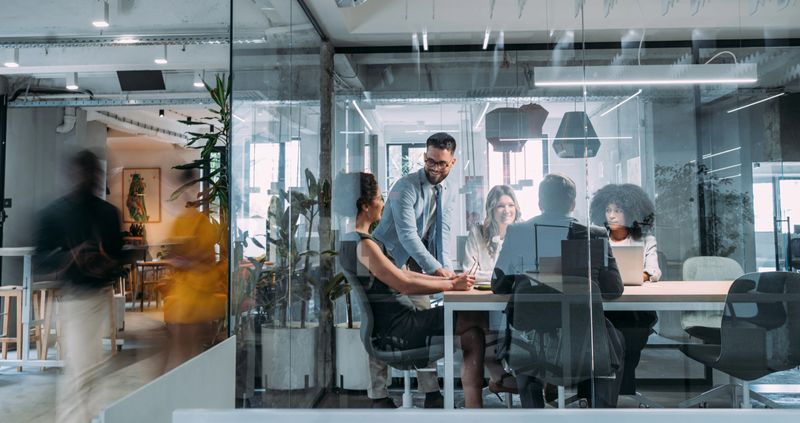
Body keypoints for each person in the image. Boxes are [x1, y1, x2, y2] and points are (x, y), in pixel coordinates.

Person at [336, 172, 488, 408]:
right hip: (399, 328)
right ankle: (486, 393)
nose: (383, 204)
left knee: (473, 335)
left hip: (396, 323)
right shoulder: (364, 245)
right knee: (473, 316)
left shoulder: (353, 241)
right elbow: (402, 284)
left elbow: (403, 274)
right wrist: (450, 284)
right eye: (378, 198)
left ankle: (473, 408)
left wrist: (447, 279)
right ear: (365, 206)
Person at [492, 174, 625, 408]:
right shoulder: (593, 234)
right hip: (583, 337)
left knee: (525, 342)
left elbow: (499, 285)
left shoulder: (519, 232)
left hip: (530, 337)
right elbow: (614, 288)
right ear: (572, 204)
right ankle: (602, 414)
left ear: (540, 202)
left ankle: (533, 414)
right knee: (614, 339)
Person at [369, 132, 458, 407]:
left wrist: (447, 270)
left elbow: (441, 232)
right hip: (382, 262)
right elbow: (408, 235)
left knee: (423, 323)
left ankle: (430, 392)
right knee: (378, 328)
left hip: (409, 266)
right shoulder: (404, 187)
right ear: (424, 157)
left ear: (452, 162)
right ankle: (378, 396)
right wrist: (438, 272)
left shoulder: (445, 191)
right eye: (430, 161)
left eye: (441, 163)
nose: (434, 168)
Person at [34, 150, 123, 423]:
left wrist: (105, 263)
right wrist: (71, 257)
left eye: (95, 172)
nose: (92, 177)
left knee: (90, 369)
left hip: (98, 296)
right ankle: (75, 419)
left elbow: (117, 260)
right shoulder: (54, 214)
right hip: (75, 299)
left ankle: (84, 416)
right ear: (74, 174)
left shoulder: (108, 214)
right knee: (82, 370)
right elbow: (40, 260)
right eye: (87, 171)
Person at [590, 183, 660, 397]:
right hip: (603, 307)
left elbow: (654, 271)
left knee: (629, 335)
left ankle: (620, 392)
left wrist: (641, 275)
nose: (611, 215)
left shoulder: (645, 239)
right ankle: (605, 394)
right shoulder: (595, 239)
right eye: (608, 210)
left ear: (631, 212)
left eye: (617, 210)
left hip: (633, 310)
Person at [162, 170, 228, 370]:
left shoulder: (202, 223)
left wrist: (187, 260)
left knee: (190, 347)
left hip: (199, 292)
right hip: (184, 292)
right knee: (184, 347)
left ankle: (189, 379)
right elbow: (174, 254)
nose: (189, 194)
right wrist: (182, 260)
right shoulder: (182, 222)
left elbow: (206, 258)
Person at [460, 185, 521, 395]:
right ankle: (500, 376)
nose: (506, 210)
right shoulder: (478, 233)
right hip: (485, 297)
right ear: (491, 209)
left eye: (510, 205)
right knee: (480, 321)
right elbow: (470, 270)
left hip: (514, 297)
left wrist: (495, 275)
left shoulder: (523, 232)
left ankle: (510, 377)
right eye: (500, 206)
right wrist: (499, 277)